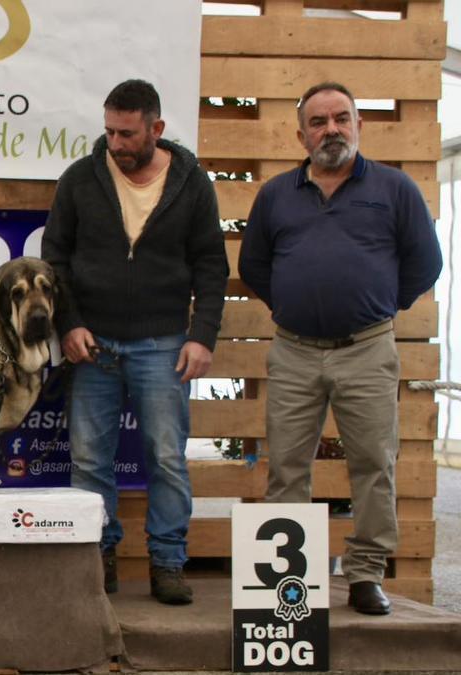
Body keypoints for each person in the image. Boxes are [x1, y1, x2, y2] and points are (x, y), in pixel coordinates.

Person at [238, 81, 442, 616]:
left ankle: (365, 575)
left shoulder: (395, 189)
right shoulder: (276, 194)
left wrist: (378, 305)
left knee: (374, 463)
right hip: (295, 351)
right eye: (320, 122)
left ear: (359, 125)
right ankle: (290, 586)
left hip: (367, 350)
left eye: (342, 118)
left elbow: (426, 264)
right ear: (301, 134)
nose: (332, 129)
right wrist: (292, 306)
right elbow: (254, 267)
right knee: (286, 466)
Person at [42, 79, 227, 605]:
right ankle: (95, 562)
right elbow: (55, 258)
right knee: (89, 461)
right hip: (92, 344)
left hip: (164, 343)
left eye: (127, 133)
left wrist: (203, 336)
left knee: (166, 457)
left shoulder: (192, 183)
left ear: (156, 129)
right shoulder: (80, 178)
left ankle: (168, 564)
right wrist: (69, 324)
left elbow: (212, 265)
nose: (115, 144)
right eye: (109, 132)